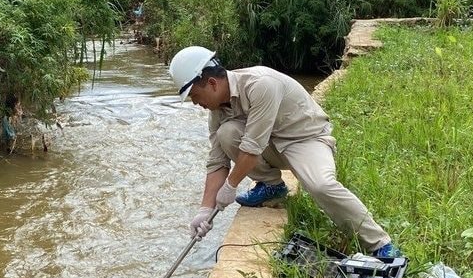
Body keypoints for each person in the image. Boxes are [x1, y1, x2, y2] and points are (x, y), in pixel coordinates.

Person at [169, 45, 400, 258]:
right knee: (226, 133)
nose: (195, 103)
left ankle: (380, 244)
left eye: (194, 96)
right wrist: (205, 209)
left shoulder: (260, 84)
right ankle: (272, 186)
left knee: (322, 186)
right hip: (270, 146)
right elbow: (217, 161)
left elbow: (251, 148)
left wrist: (230, 187)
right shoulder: (217, 111)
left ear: (211, 83)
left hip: (305, 139)